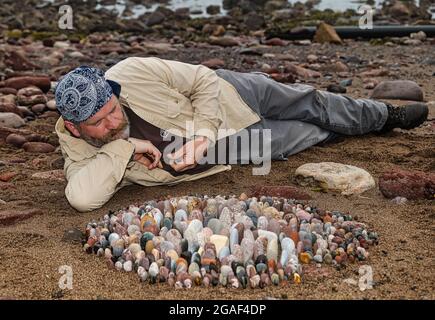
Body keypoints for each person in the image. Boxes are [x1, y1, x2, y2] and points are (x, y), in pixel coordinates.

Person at [54, 57, 428, 212]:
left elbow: (201, 79)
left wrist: (201, 133)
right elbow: (83, 198)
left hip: (231, 92)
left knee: (312, 101)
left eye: (113, 111)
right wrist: (125, 146)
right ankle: (339, 133)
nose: (113, 122)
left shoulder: (131, 71)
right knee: (304, 136)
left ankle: (384, 114)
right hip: (232, 147)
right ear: (74, 126)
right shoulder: (77, 150)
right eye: (99, 124)